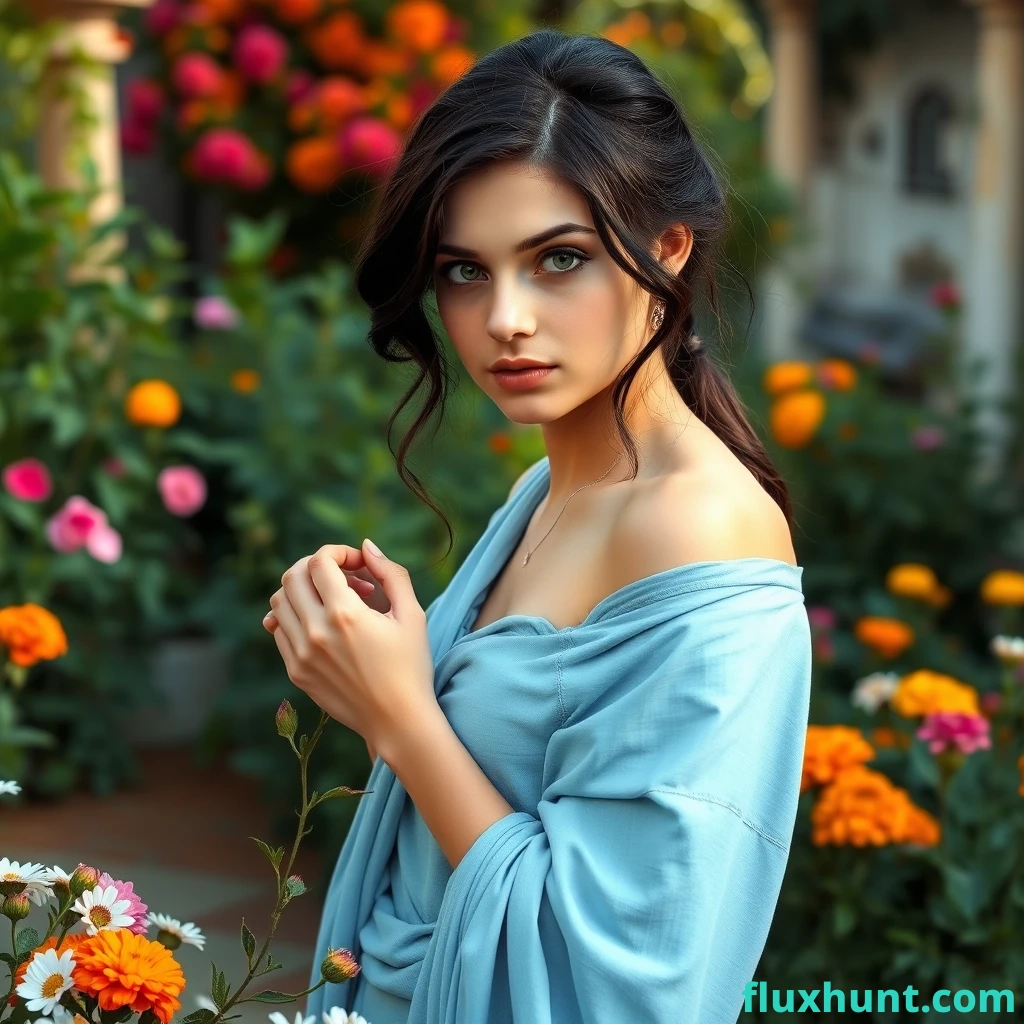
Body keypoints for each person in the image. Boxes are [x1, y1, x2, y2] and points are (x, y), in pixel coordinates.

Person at [266, 28, 813, 1024]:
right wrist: (396, 648)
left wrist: (399, 713)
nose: (504, 318)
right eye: (463, 271)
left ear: (668, 247)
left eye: (557, 259)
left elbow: (622, 974)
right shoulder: (545, 487)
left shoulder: (698, 531)